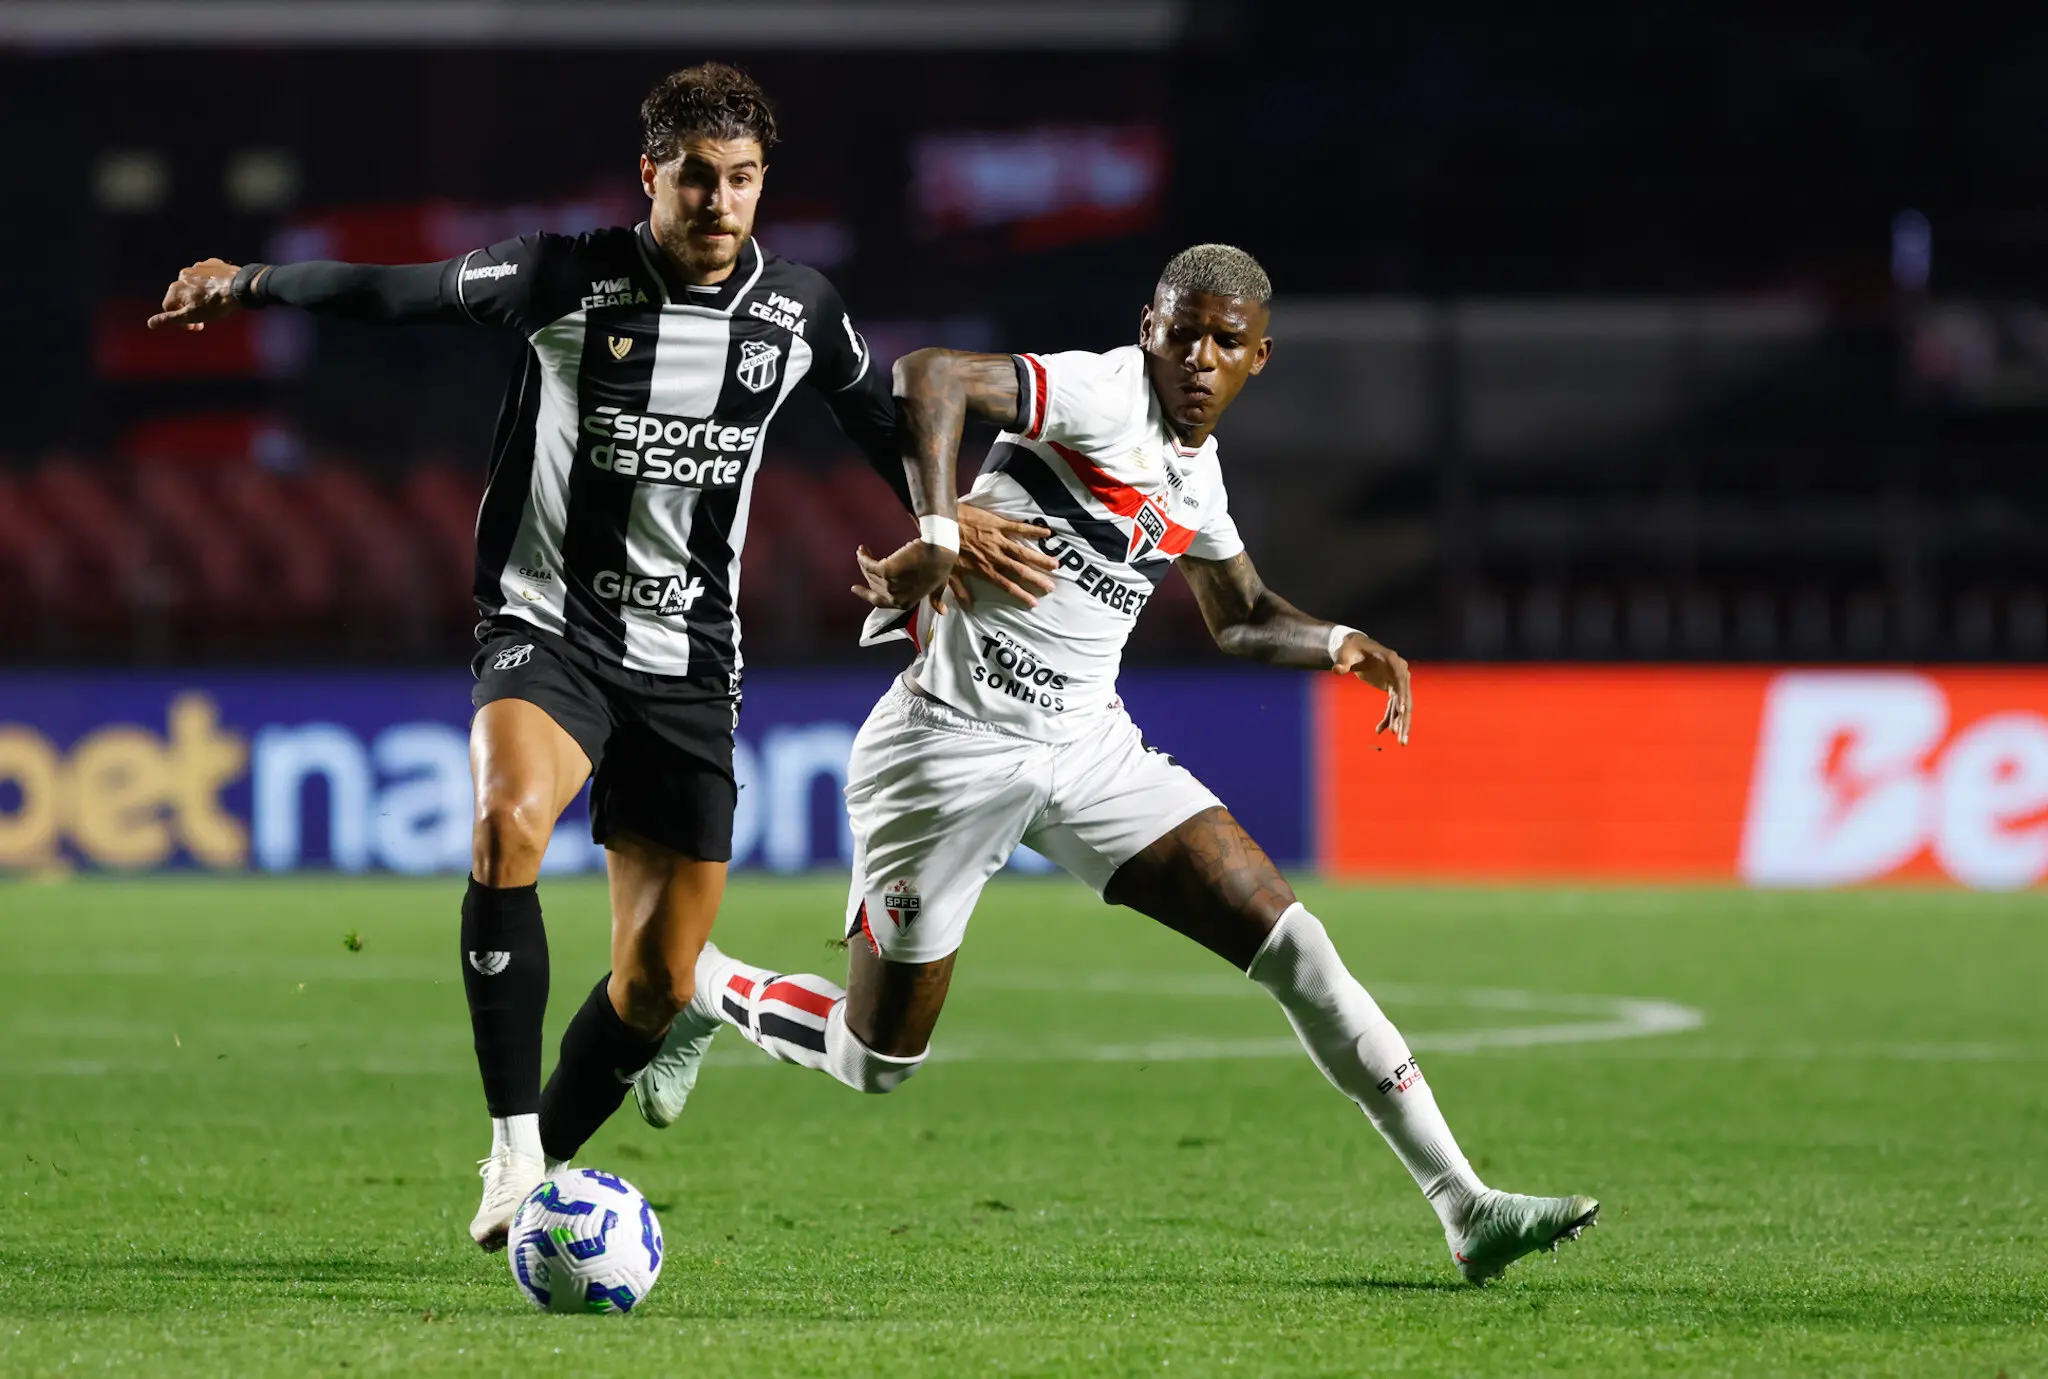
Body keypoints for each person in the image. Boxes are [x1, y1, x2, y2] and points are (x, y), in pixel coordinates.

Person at [146, 62, 1055, 1250]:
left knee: (652, 981)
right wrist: (249, 281)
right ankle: (514, 1144)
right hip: (547, 624)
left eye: (740, 180)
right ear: (650, 178)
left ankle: (597, 1118)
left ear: (761, 182)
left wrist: (946, 512)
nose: (719, 202)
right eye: (695, 179)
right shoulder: (560, 277)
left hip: (691, 662)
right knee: (504, 825)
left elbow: (883, 425)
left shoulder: (800, 312)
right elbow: (398, 292)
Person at [630, 244, 1599, 1284]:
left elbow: (1238, 616)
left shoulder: (1198, 474)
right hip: (947, 750)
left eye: (1223, 342)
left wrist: (1336, 642)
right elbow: (927, 375)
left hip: (1092, 753)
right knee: (876, 1059)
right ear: (1148, 326)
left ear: (1256, 358)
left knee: (1298, 946)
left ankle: (1465, 1205)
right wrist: (943, 529)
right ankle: (705, 987)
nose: (1196, 356)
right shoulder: (1096, 393)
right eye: (1181, 332)